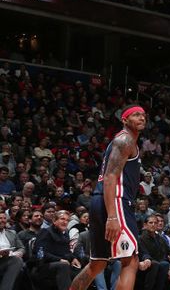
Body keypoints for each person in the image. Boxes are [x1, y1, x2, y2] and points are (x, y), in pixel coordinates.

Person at [68, 105, 147, 290]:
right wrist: (112, 216)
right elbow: (111, 177)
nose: (142, 118)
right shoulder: (125, 140)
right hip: (115, 202)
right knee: (131, 261)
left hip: (102, 200)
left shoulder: (123, 141)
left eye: (144, 115)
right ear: (124, 120)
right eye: (136, 115)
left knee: (97, 264)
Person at [33, 210, 80, 289]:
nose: (65, 222)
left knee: (80, 268)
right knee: (63, 265)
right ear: (54, 221)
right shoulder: (45, 232)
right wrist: (59, 260)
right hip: (43, 266)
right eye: (62, 219)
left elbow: (66, 251)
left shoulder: (65, 235)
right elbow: (40, 253)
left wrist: (73, 258)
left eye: (67, 220)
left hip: (59, 264)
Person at [0, 212, 24, 290]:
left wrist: (19, 252)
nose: (2, 220)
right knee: (17, 263)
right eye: (0, 218)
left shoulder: (12, 233)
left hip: (10, 259)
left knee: (17, 261)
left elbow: (21, 247)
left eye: (4, 218)